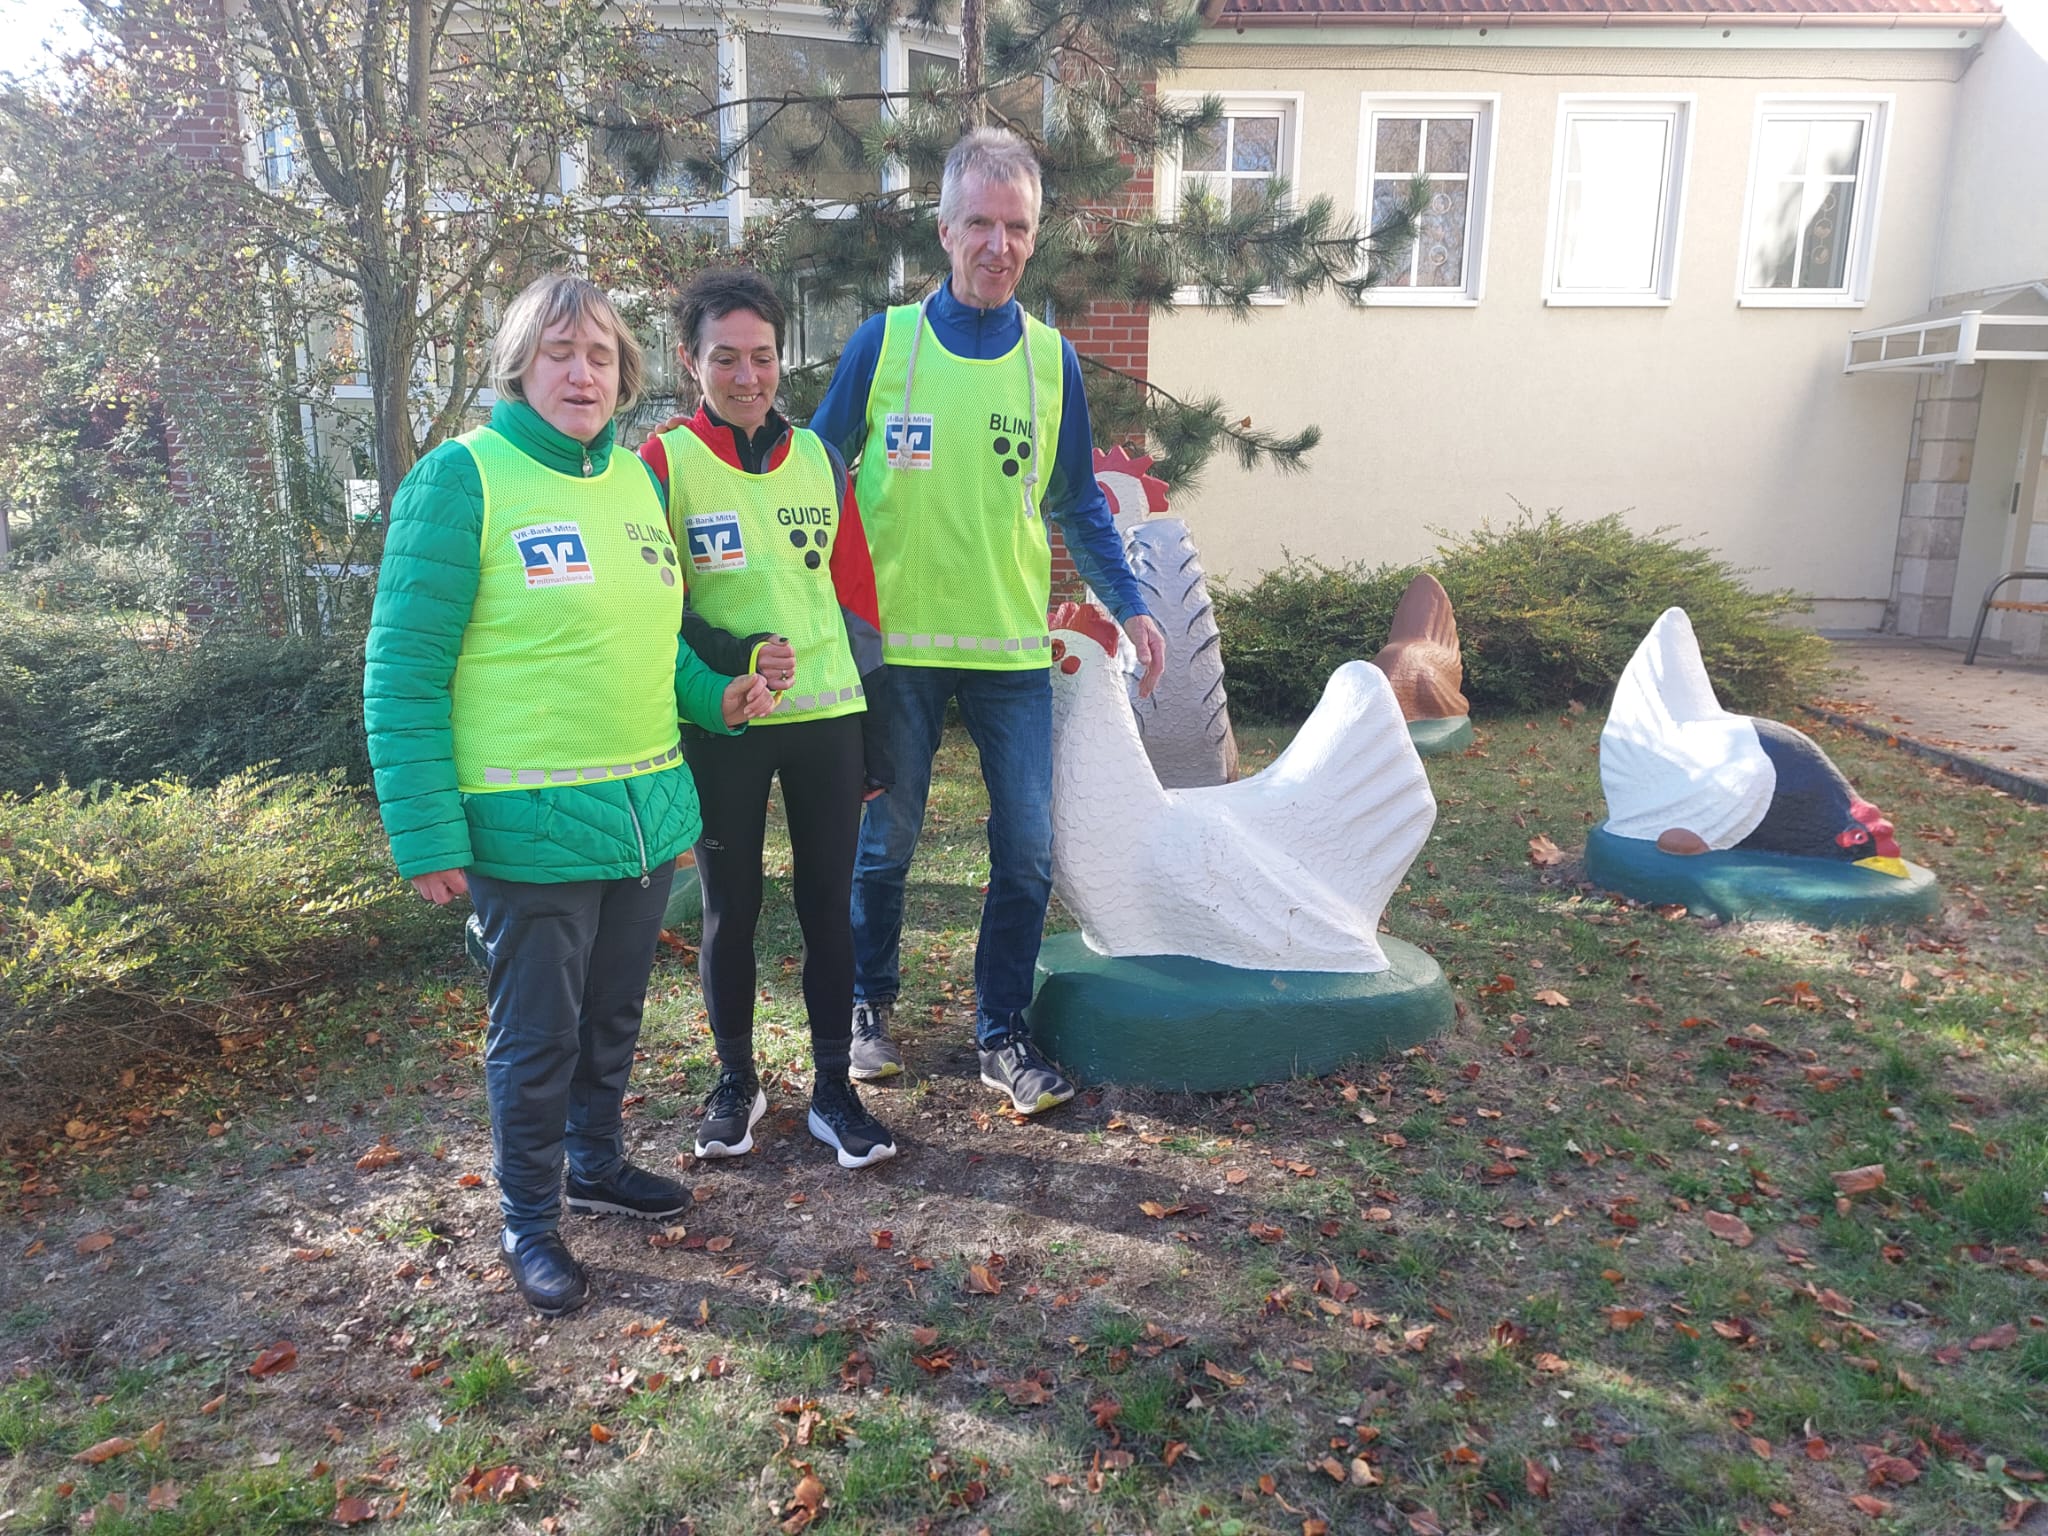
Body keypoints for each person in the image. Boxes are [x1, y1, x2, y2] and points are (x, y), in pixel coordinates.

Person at [363, 272, 773, 1318]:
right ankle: (531, 1221)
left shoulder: (634, 486)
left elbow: (656, 642)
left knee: (612, 1020)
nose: (580, 373)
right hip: (522, 827)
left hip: (641, 813)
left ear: (624, 373)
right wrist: (423, 831)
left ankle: (596, 1162)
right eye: (558, 352)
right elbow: (402, 671)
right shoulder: (464, 480)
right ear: (519, 365)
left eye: (598, 355)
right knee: (537, 1038)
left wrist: (717, 695)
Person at [809, 127, 1167, 1115]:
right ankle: (866, 1009)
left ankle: (1001, 1034)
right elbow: (807, 470)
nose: (997, 244)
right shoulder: (884, 345)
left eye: (1016, 227)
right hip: (897, 650)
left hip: (1008, 649)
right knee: (884, 846)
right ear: (942, 228)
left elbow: (1079, 507)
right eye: (979, 223)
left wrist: (1130, 608)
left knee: (1025, 852)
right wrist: (796, 599)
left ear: (1033, 235)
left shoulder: (1052, 365)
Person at [638, 268, 898, 1170]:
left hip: (828, 716)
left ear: (779, 359)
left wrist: (879, 730)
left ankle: (834, 1089)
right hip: (725, 724)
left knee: (830, 905)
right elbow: (650, 603)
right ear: (690, 361)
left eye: (761, 358)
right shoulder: (664, 462)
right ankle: (736, 1082)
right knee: (730, 909)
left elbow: (857, 599)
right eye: (725, 359)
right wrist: (732, 654)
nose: (746, 376)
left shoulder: (822, 460)